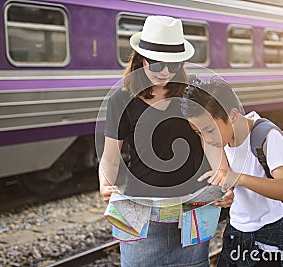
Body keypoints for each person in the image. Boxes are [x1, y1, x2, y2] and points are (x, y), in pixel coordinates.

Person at [98, 16, 233, 267]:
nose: (166, 72)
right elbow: (110, 156)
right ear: (142, 59)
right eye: (158, 64)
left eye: (174, 64)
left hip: (192, 207)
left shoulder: (191, 93)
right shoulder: (121, 99)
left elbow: (211, 141)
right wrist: (104, 184)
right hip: (140, 210)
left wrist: (224, 178)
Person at [181, 79, 283, 266]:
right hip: (237, 232)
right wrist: (226, 193)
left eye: (209, 130)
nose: (206, 138)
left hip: (272, 235)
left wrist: (239, 179)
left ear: (232, 115)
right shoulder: (216, 140)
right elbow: (224, 176)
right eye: (198, 132)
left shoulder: (267, 136)